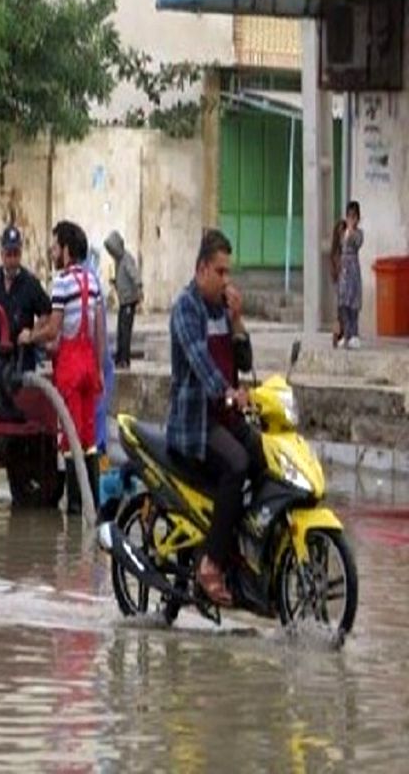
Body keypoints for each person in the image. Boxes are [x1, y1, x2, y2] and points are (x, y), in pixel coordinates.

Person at [167, 229, 260, 606]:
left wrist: (238, 322)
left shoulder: (223, 308)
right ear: (202, 268)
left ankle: (243, 549)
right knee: (236, 465)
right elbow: (201, 363)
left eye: (228, 273)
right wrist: (228, 393)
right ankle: (211, 563)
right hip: (196, 423)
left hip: (226, 416)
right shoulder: (186, 308)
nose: (226, 280)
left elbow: (245, 363)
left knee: (262, 455)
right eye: (220, 272)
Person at [25, 221, 106, 519]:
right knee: (88, 437)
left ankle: (75, 510)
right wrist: (98, 369)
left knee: (70, 439)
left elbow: (54, 329)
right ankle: (92, 505)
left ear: (67, 250)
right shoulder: (93, 281)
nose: (53, 251)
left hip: (71, 366)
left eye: (56, 246)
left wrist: (29, 337)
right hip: (89, 363)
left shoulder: (61, 283)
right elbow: (98, 331)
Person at [0, 225, 51, 371]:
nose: (12, 260)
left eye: (16, 254)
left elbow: (47, 312)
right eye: (9, 254)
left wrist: (33, 334)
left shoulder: (30, 282)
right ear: (2, 254)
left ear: (21, 254)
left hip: (22, 361)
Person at [104, 230, 141, 369]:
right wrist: (115, 282)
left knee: (125, 331)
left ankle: (124, 359)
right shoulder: (119, 260)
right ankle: (120, 357)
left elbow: (133, 274)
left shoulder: (126, 259)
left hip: (129, 301)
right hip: (123, 300)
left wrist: (139, 286)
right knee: (121, 330)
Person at [338, 201, 364, 349]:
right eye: (349, 216)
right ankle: (346, 334)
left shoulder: (359, 233)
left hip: (353, 268)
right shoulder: (343, 231)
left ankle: (354, 335)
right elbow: (340, 243)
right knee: (343, 303)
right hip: (344, 270)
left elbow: (357, 242)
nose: (351, 219)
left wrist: (352, 231)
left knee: (353, 303)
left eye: (354, 216)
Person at [329, 219, 347, 347]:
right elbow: (334, 268)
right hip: (340, 282)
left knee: (345, 311)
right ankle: (337, 335)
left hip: (347, 282)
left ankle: (344, 334)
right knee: (340, 311)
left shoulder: (347, 248)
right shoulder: (335, 250)